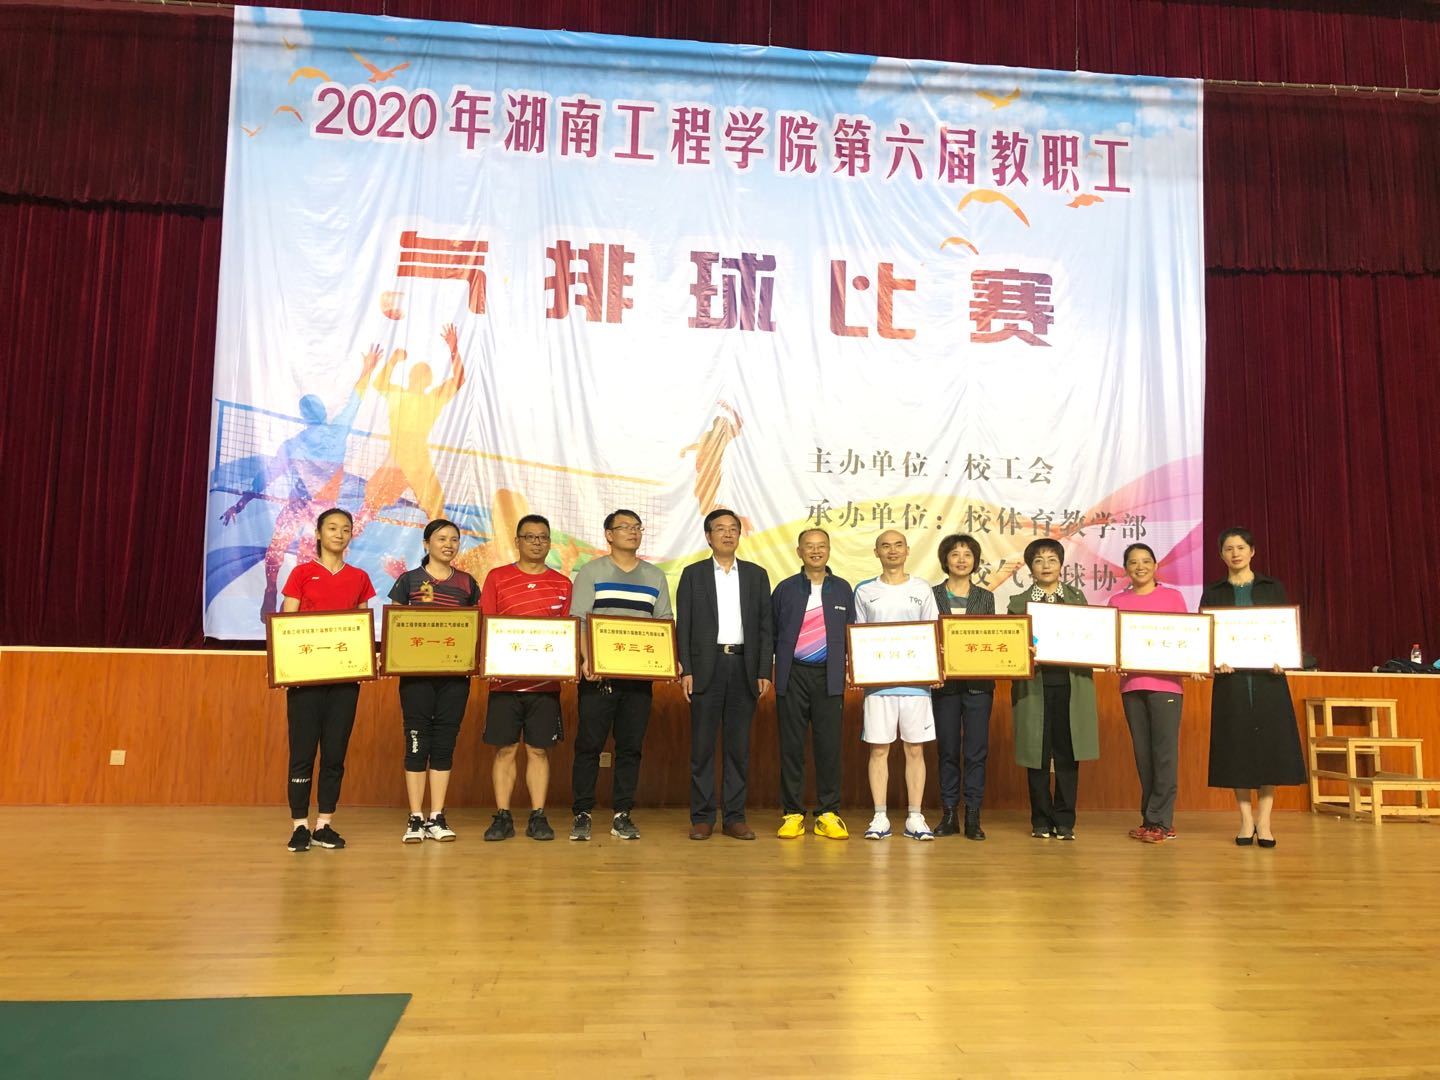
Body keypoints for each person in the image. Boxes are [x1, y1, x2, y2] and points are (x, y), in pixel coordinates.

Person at [217, 344, 381, 619]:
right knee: (277, 550)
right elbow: (265, 478)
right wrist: (240, 504)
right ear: (309, 415)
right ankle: (271, 590)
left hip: (320, 509)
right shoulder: (301, 442)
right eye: (312, 409)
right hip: (302, 505)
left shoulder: (315, 438)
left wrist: (367, 370)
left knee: (300, 556)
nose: (316, 412)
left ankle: (290, 599)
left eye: (315, 408)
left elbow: (354, 402)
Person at [568, 509, 673, 841]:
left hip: (638, 679)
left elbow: (664, 623)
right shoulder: (591, 571)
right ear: (609, 535)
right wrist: (588, 659)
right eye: (625, 527)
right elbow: (580, 620)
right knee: (589, 746)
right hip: (598, 677)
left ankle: (622, 814)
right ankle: (582, 813)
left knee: (630, 748)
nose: (633, 532)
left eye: (637, 527)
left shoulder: (655, 576)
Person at [1200, 527, 1306, 848]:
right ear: (1221, 555)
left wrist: (1284, 658)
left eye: (1241, 547)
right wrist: (1214, 660)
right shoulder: (1213, 592)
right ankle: (1246, 819)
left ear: (1252, 551)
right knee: (1237, 748)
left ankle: (1265, 820)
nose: (1235, 553)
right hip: (1231, 681)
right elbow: (1206, 638)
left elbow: (1284, 632)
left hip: (1268, 681)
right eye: (1228, 549)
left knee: (1270, 748)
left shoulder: (1272, 588)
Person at [278, 507, 376, 851]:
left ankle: (324, 825)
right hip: (306, 680)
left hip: (344, 681)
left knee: (335, 753)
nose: (339, 534)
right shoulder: (301, 573)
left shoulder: (359, 577)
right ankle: (299, 826)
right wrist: (283, 665)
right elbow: (286, 625)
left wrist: (367, 661)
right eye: (332, 528)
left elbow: (363, 626)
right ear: (318, 534)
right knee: (302, 753)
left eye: (345, 529)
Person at [676, 508, 774, 840]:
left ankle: (734, 817)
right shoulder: (693, 574)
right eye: (720, 528)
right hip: (706, 668)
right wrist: (687, 669)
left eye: (733, 528)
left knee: (738, 748)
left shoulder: (756, 575)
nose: (728, 533)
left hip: (744, 667)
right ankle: (702, 817)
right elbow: (684, 625)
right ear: (708, 536)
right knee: (702, 747)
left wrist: (763, 669)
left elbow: (765, 626)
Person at [478, 514, 574, 842]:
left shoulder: (563, 583)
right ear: (517, 541)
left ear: (549, 543)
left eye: (543, 537)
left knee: (538, 751)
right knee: (505, 750)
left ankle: (538, 816)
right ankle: (502, 816)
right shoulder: (497, 577)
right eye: (530, 537)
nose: (537, 542)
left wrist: (568, 663)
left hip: (545, 686)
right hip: (503, 684)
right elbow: (487, 623)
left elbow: (566, 634)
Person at [388, 518, 480, 844]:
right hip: (416, 679)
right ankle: (415, 817)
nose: (448, 544)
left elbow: (476, 629)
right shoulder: (408, 581)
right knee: (416, 742)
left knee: (444, 743)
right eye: (441, 539)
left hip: (454, 679)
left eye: (454, 539)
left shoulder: (467, 583)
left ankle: (437, 816)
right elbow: (395, 627)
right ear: (426, 544)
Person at [1007, 538, 1099, 841]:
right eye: (1038, 560)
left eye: (1052, 560)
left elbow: (1091, 638)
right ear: (1030, 567)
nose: (1045, 566)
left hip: (1071, 687)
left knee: (1068, 753)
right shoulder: (1018, 604)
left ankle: (1065, 820)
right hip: (1034, 688)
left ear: (1061, 565)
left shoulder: (1077, 599)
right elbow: (1011, 648)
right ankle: (1040, 819)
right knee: (1036, 753)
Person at [854, 530, 939, 841]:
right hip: (878, 685)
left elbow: (933, 632)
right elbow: (858, 635)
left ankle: (915, 817)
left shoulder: (922, 588)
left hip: (916, 684)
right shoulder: (864, 590)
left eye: (898, 545)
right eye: (885, 546)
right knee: (879, 749)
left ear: (907, 551)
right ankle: (880, 817)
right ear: (876, 552)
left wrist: (935, 671)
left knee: (915, 749)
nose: (892, 551)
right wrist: (857, 671)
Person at [771, 528, 854, 840]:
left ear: (829, 550)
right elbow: (770, 632)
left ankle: (828, 813)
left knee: (828, 747)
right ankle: (792, 813)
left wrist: (852, 669)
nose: (816, 551)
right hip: (793, 675)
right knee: (791, 747)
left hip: (829, 677)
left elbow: (853, 634)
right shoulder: (785, 589)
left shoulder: (842, 589)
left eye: (821, 546)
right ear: (799, 551)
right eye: (809, 546)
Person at [1107, 542, 1189, 844]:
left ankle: (1162, 822)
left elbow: (1187, 637)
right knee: (1144, 756)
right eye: (1133, 562)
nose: (1139, 567)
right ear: (1126, 569)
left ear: (1155, 565)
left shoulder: (1173, 597)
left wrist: (1195, 662)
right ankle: (1150, 819)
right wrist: (1110, 659)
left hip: (1166, 686)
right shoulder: (1116, 601)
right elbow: (1110, 643)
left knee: (1164, 755)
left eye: (1145, 561)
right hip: (1132, 686)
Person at [357, 324, 465, 525]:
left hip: (417, 462)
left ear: (429, 381)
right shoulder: (398, 394)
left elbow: (459, 380)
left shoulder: (432, 399)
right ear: (410, 376)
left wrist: (454, 348)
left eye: (424, 375)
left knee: (436, 510)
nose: (419, 377)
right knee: (370, 503)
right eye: (417, 373)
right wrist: (393, 360)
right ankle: (355, 534)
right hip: (397, 461)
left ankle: (445, 541)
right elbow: (380, 383)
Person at [930, 533, 995, 840]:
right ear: (945, 560)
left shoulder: (986, 597)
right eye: (955, 554)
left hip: (978, 686)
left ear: (975, 561)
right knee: (947, 750)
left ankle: (972, 815)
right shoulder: (930, 595)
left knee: (976, 751)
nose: (961, 560)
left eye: (967, 554)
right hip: (943, 685)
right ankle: (948, 814)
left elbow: (992, 637)